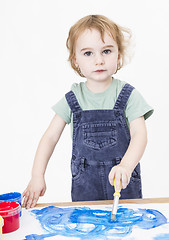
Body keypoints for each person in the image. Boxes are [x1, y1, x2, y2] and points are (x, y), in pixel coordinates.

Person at [22, 14, 153, 208]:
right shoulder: (73, 98)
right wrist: (37, 175)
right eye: (88, 53)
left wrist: (126, 165)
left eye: (106, 51)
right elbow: (50, 137)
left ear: (118, 55)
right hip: (85, 190)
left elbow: (139, 134)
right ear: (75, 60)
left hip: (123, 186)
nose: (99, 60)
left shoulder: (128, 95)